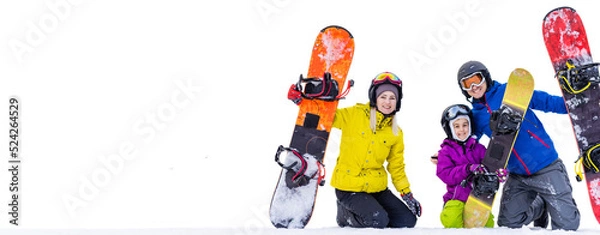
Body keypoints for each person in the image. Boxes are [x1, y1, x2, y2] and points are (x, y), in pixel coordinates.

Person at [455, 60, 580, 230]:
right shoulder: (475, 116)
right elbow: (466, 143)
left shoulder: (511, 91)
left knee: (568, 226)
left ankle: (550, 201)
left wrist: (577, 103)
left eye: (477, 79)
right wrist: (446, 153)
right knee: (508, 225)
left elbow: (547, 102)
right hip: (518, 176)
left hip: (546, 166)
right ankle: (540, 207)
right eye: (467, 84)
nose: (474, 87)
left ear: (486, 77)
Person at [287, 71, 421, 228]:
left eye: (392, 98)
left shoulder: (395, 132)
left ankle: (370, 208)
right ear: (374, 97)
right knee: (378, 221)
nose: (387, 102)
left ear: (397, 102)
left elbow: (396, 166)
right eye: (383, 97)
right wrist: (302, 102)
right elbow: (326, 117)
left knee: (407, 221)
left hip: (376, 188)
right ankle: (345, 214)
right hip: (348, 188)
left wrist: (407, 193)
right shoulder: (354, 115)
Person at [436, 103, 506, 228]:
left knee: (487, 225)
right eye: (456, 126)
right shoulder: (445, 152)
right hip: (456, 200)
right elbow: (445, 174)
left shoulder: (478, 148)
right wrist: (467, 168)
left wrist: (498, 174)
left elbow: (490, 167)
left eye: (465, 125)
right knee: (452, 220)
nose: (462, 130)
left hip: (479, 200)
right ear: (450, 129)